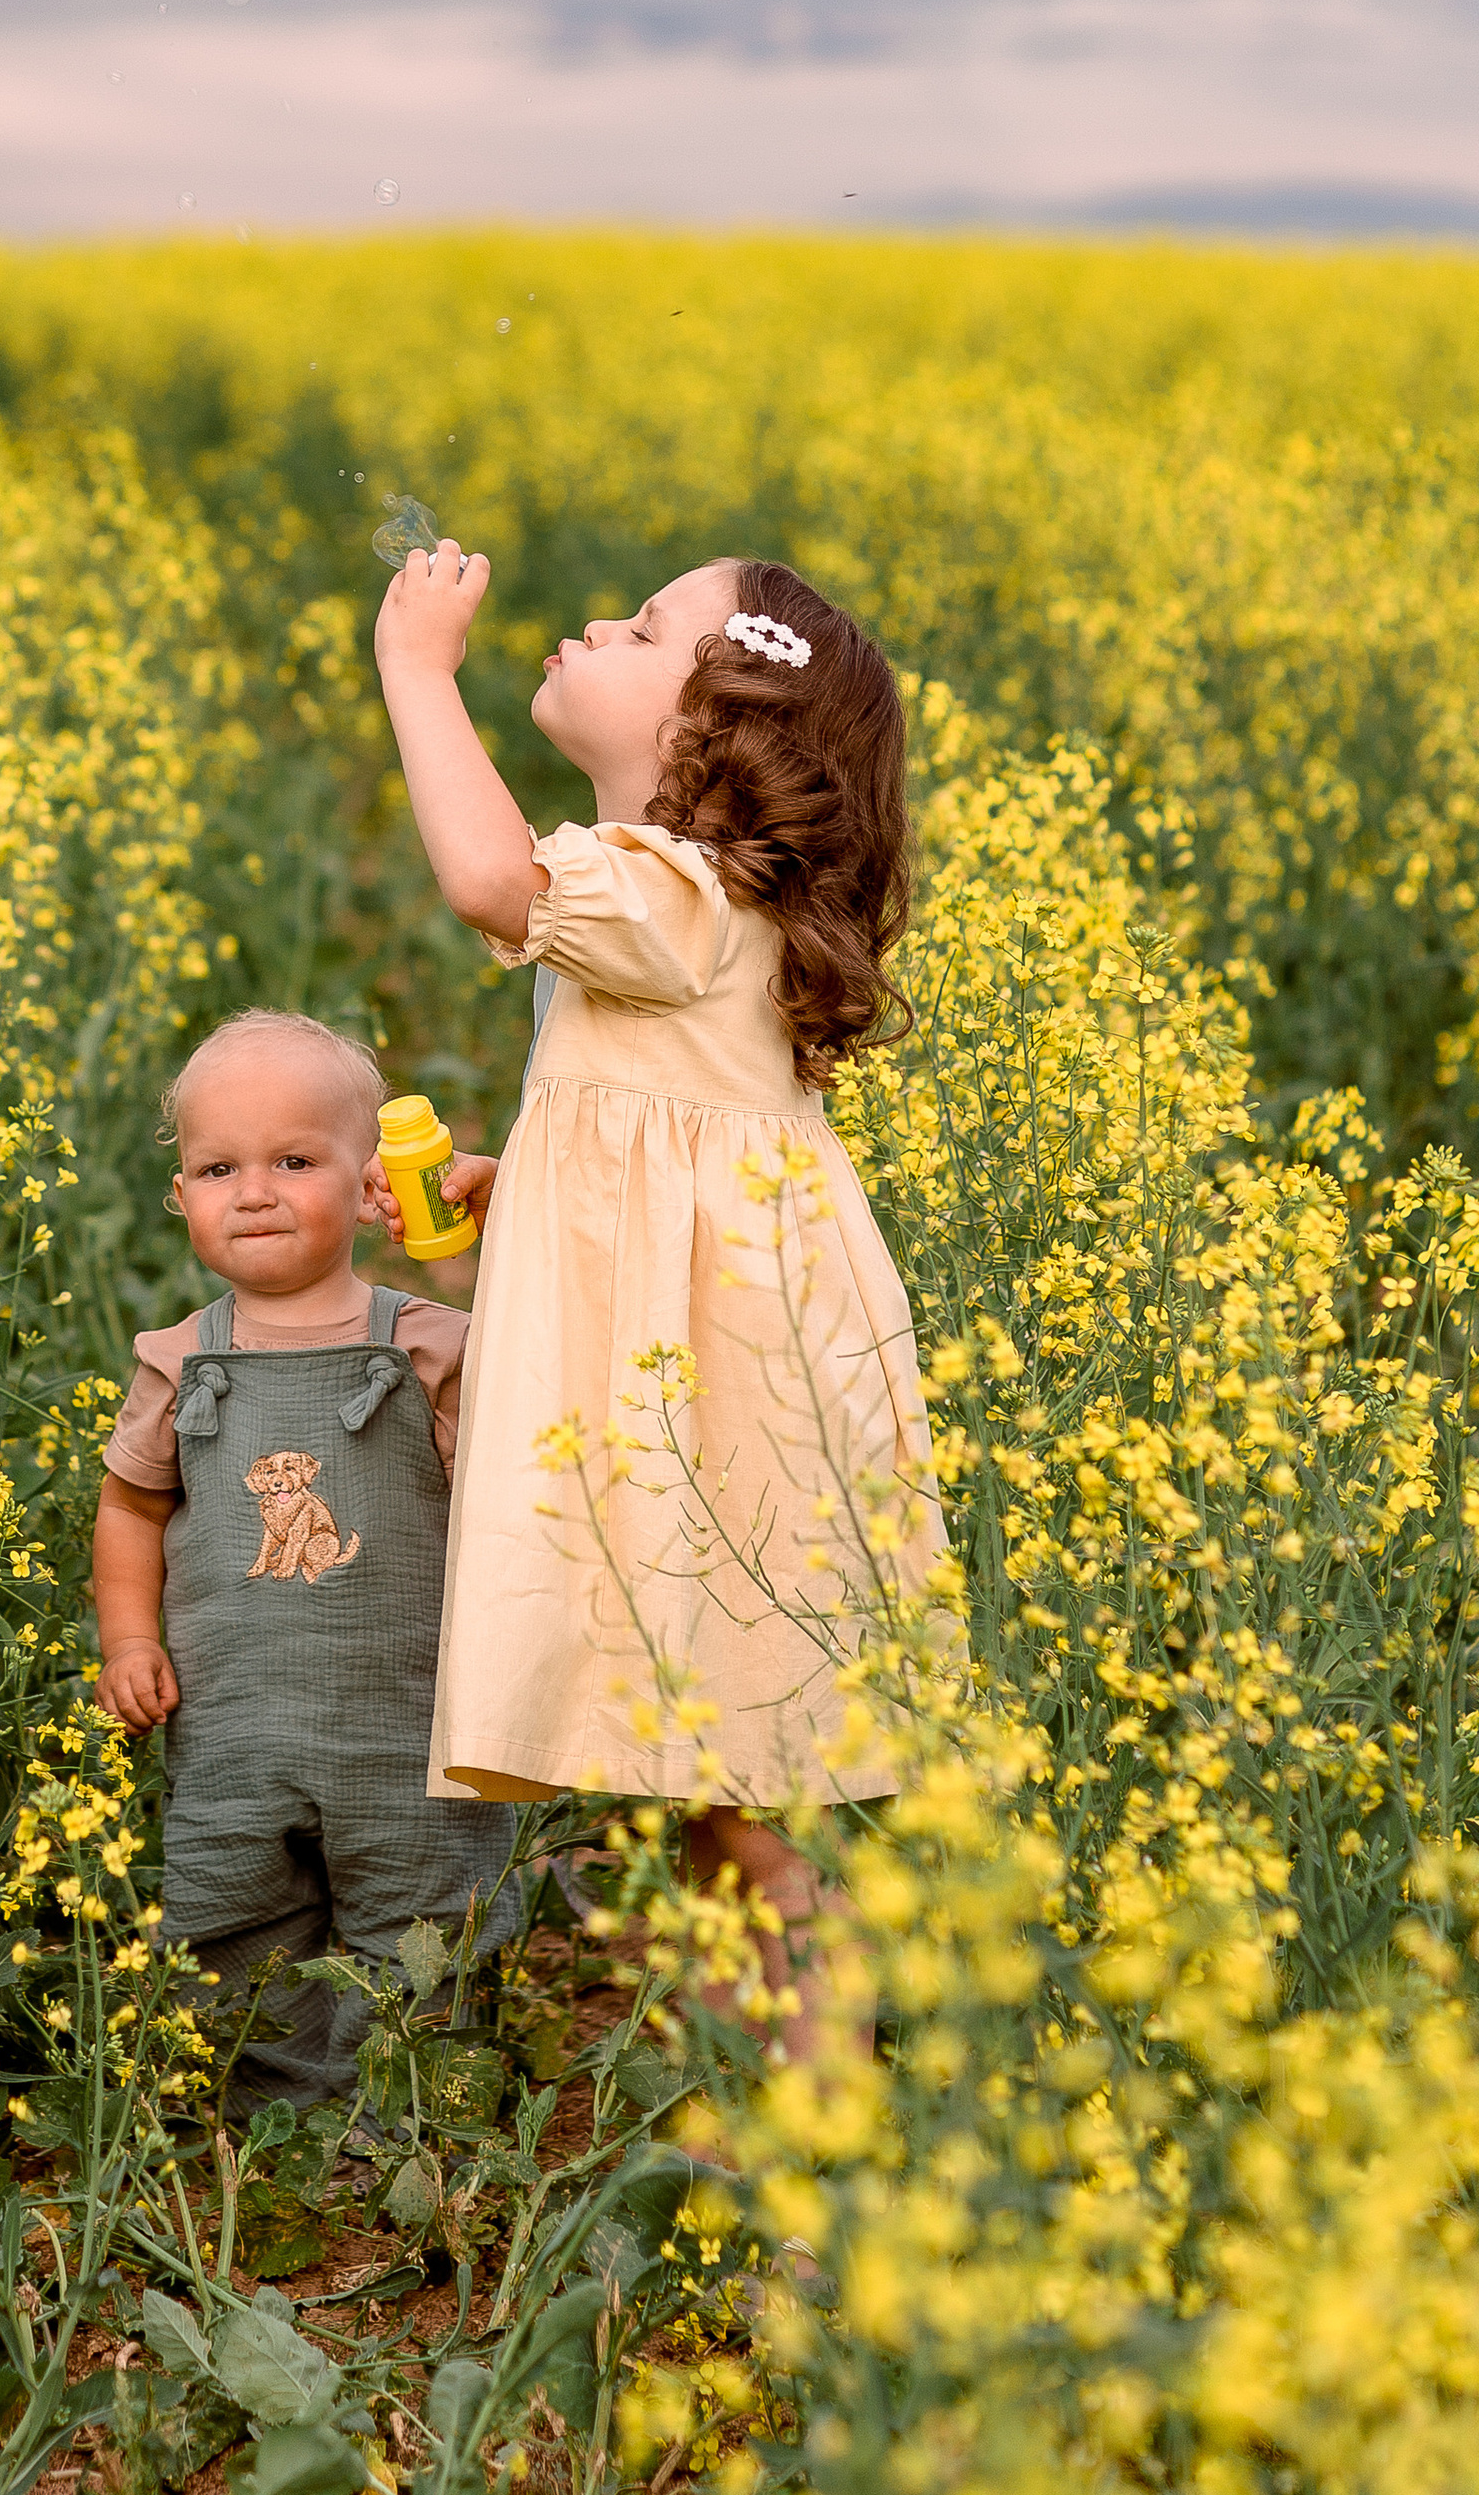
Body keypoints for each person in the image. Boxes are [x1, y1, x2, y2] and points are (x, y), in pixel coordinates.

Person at [372, 544, 944, 2058]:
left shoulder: (674, 892)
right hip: (726, 1360)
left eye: (645, 628)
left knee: (741, 1810)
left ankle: (832, 2144)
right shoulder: (692, 905)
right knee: (718, 1791)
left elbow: (489, 875)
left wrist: (418, 669)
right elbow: (657, 1123)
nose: (597, 621)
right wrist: (530, 1176)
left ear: (716, 733)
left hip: (718, 1387)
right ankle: (785, 2130)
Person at [90, 1008, 518, 2111]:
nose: (255, 1191)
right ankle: (267, 2131)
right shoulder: (179, 1363)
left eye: (294, 1160)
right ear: (180, 1196)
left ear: (372, 1181)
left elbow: (515, 1497)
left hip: (407, 1718)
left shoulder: (430, 1346)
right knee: (232, 1921)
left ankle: (413, 2118)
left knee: (423, 1919)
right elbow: (131, 1509)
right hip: (234, 1722)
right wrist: (129, 1637)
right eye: (217, 1167)